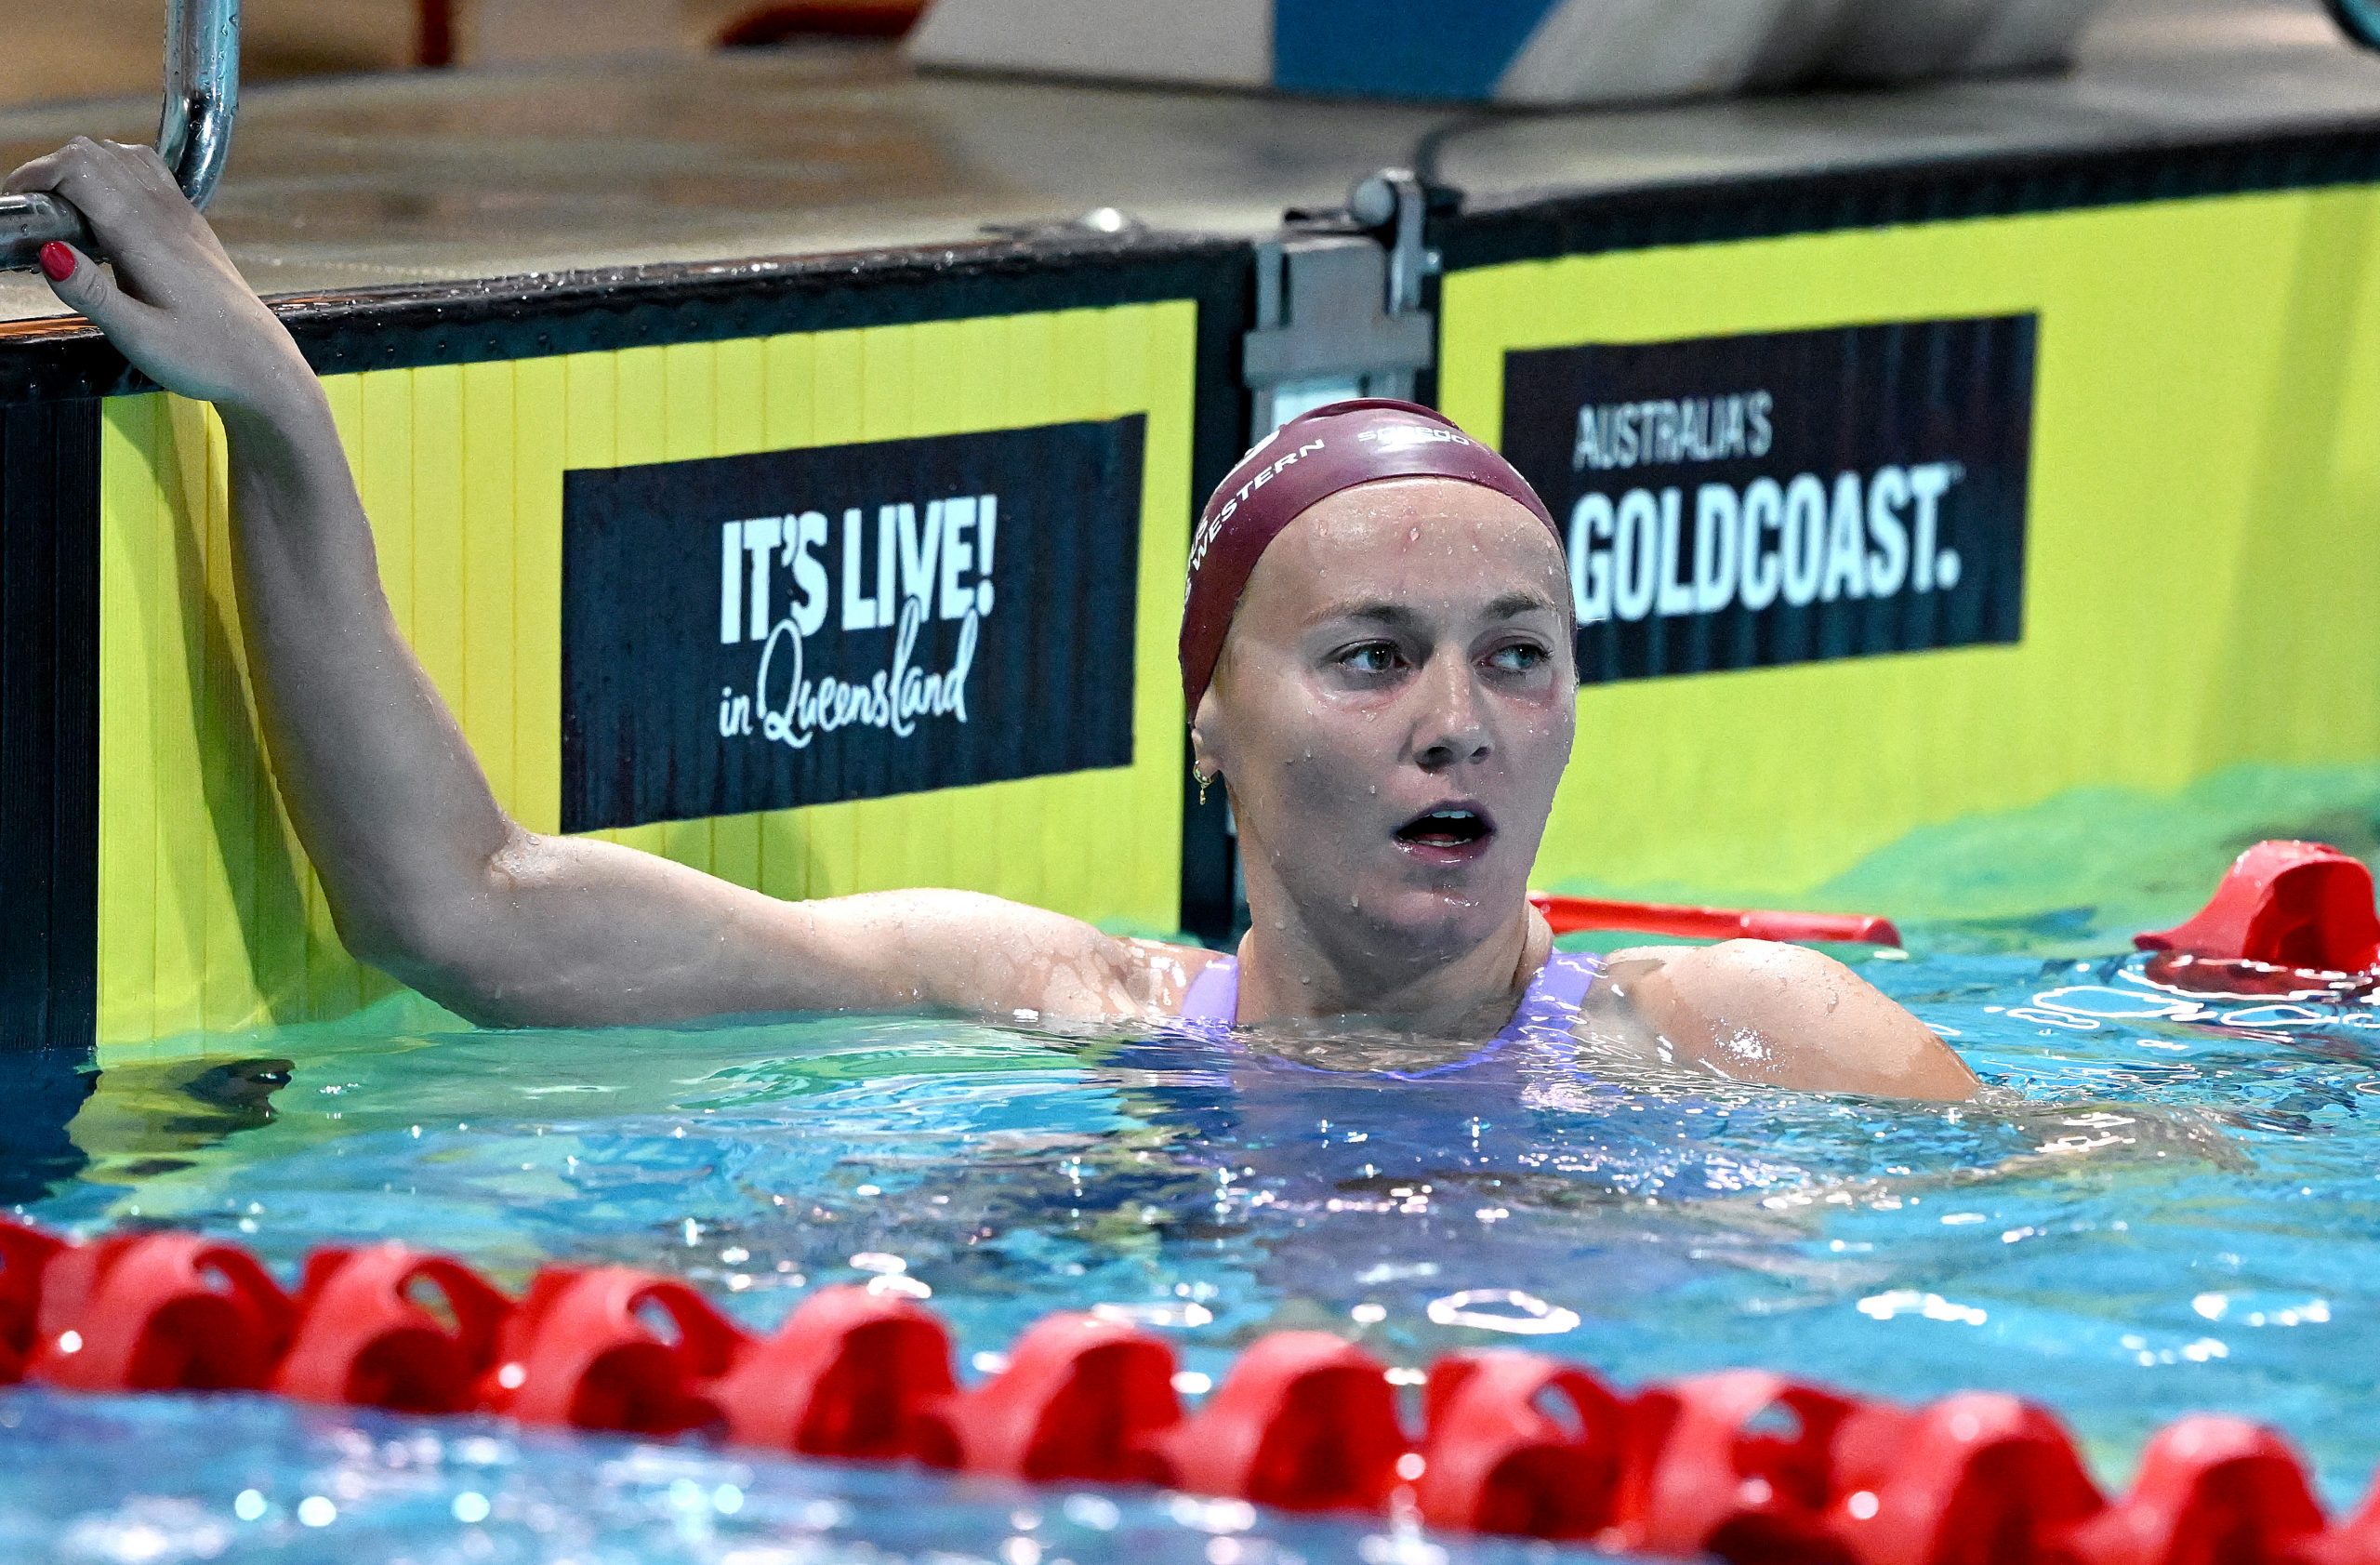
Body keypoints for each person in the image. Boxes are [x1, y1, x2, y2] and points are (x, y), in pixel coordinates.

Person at [9, 138, 1977, 1101]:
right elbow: (466, 913)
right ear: (1208, 722)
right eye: (1371, 655)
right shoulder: (1043, 1007)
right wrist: (281, 424)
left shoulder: (1747, 1033)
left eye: (1515, 655)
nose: (1456, 719)